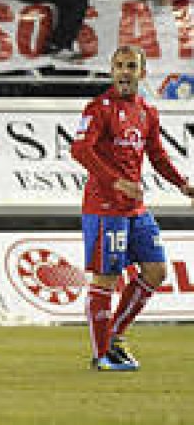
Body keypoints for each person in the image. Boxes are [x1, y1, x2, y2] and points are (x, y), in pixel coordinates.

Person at [70, 46, 194, 371]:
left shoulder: (147, 112)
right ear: (112, 71)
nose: (125, 72)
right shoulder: (98, 108)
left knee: (156, 271)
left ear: (142, 72)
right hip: (104, 206)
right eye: (119, 66)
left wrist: (182, 184)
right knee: (106, 278)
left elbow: (157, 155)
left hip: (135, 208)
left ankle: (114, 336)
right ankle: (101, 356)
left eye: (131, 67)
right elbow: (80, 150)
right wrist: (115, 182)